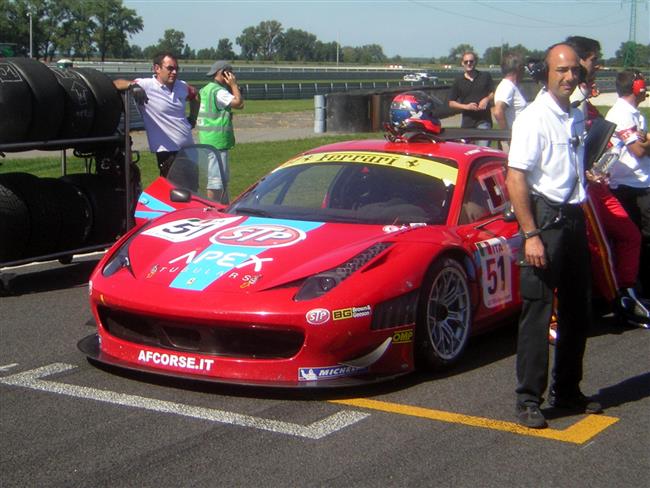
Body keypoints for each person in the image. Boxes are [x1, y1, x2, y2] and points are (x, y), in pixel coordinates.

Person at [506, 43, 603, 429]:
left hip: (575, 217)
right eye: (560, 71)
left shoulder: (574, 115)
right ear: (546, 74)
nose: (568, 77)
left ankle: (568, 389)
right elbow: (516, 178)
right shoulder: (534, 118)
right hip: (544, 220)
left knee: (579, 310)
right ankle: (529, 398)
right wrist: (530, 234)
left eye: (574, 71)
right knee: (538, 311)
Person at [564, 36, 649, 324]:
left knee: (627, 236)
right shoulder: (568, 99)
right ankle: (616, 299)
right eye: (593, 60)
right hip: (576, 187)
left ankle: (623, 292)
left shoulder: (583, 96)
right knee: (595, 247)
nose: (598, 66)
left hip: (595, 179)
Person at [113, 52, 200, 176]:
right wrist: (132, 86)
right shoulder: (146, 85)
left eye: (176, 69)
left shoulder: (181, 86)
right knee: (174, 193)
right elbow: (116, 83)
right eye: (170, 68)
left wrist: (193, 118)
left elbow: (195, 94)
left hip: (189, 149)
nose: (174, 72)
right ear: (157, 69)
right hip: (168, 152)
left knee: (193, 191)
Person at [605, 70, 650, 300]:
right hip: (629, 185)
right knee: (641, 238)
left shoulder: (635, 114)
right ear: (635, 86)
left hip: (641, 181)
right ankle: (640, 287)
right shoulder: (622, 114)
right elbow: (639, 149)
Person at [197, 60, 244, 203]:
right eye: (231, 73)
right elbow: (239, 103)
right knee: (216, 181)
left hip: (208, 138)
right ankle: (213, 208)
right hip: (217, 141)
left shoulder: (206, 89)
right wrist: (234, 85)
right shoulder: (219, 91)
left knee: (220, 180)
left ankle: (225, 208)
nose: (233, 76)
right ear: (224, 73)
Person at [448, 51, 494, 145]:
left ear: (475, 62)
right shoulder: (458, 81)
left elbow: (494, 93)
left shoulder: (485, 76)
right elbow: (451, 102)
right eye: (466, 62)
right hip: (467, 122)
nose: (469, 63)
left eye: (471, 61)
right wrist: (466, 107)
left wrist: (486, 99)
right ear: (462, 63)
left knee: (482, 148)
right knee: (466, 151)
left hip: (483, 120)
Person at [492, 52, 527, 153]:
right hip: (514, 139)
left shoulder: (513, 87)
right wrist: (508, 136)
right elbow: (498, 111)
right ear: (518, 68)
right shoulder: (506, 87)